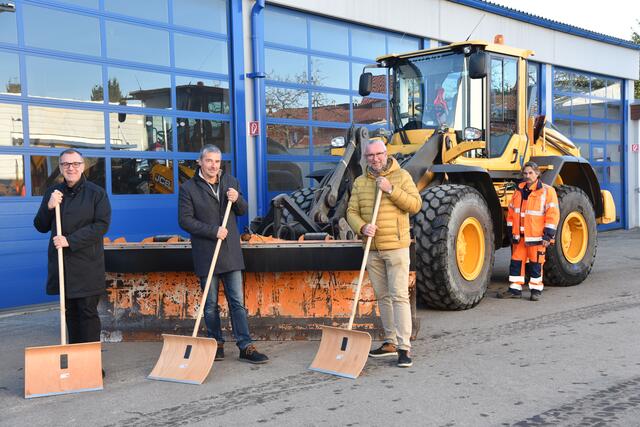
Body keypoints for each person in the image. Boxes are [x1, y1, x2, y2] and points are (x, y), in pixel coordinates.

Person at [179, 144, 268, 364]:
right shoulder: (188, 188)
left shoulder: (230, 182)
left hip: (230, 253)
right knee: (210, 305)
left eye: (217, 161)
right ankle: (215, 343)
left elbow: (243, 210)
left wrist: (237, 198)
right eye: (209, 161)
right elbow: (185, 220)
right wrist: (213, 231)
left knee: (237, 302)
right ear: (200, 161)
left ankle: (245, 346)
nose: (213, 166)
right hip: (206, 253)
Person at [347, 138, 421, 368]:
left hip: (396, 247)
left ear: (386, 154)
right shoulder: (360, 182)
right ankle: (389, 341)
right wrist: (361, 227)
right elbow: (351, 211)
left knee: (399, 295)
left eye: (378, 154)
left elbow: (415, 205)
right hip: (372, 247)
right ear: (365, 158)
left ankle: (404, 347)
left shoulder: (402, 177)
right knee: (383, 296)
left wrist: (391, 190)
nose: (375, 159)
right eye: (370, 156)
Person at [33, 149, 111, 346]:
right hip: (63, 267)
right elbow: (40, 226)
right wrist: (49, 207)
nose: (71, 167)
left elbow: (101, 225)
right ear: (60, 167)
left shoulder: (96, 193)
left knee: (87, 315)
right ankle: (77, 362)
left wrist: (70, 240)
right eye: (66, 164)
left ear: (83, 166)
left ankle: (91, 364)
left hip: (87, 265)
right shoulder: (53, 193)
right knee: (71, 316)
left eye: (75, 163)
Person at [498, 161, 560, 301]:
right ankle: (515, 289)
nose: (527, 176)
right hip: (519, 237)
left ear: (537, 174)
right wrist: (511, 233)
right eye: (525, 173)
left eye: (531, 173)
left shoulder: (547, 191)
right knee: (516, 263)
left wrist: (548, 235)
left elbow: (553, 214)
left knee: (536, 264)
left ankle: (536, 290)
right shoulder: (518, 191)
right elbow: (512, 213)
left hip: (537, 238)